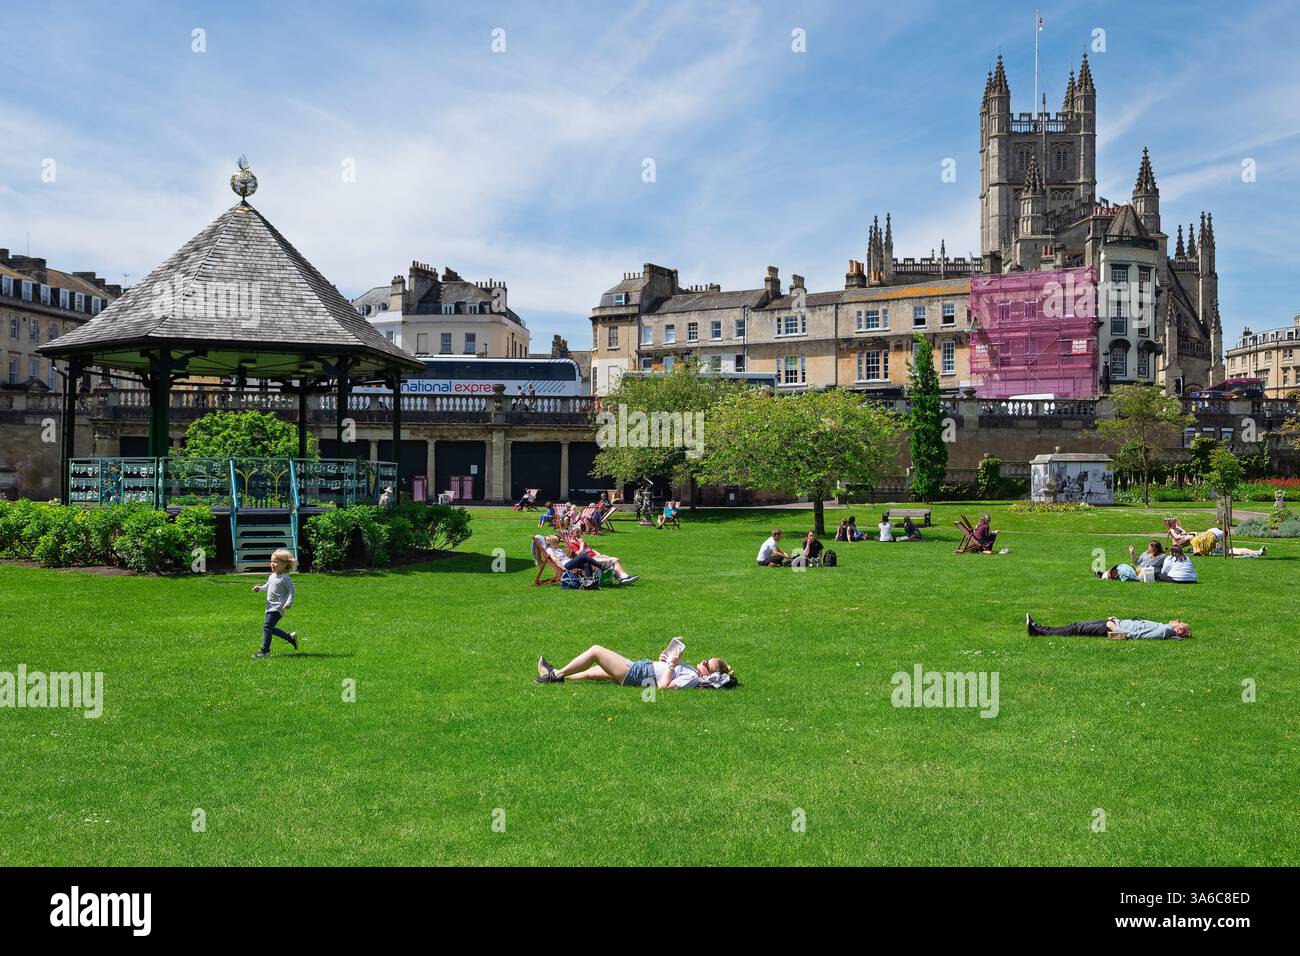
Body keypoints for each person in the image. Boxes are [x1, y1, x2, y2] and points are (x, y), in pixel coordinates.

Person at [534, 643, 737, 689]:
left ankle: (554, 675)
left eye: (706, 664)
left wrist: (671, 665)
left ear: (709, 674)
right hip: (641, 669)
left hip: (636, 673)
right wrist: (664, 660)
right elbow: (665, 673)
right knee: (593, 673)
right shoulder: (693, 672)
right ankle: (561, 676)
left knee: (596, 650)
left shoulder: (692, 678)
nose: (702, 661)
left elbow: (663, 687)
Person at [251, 549, 299, 658]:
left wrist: (289, 602)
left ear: (285, 564)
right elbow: (267, 586)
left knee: (267, 627)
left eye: (276, 562)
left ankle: (265, 652)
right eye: (272, 561)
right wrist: (260, 588)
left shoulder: (285, 578)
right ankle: (290, 637)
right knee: (270, 628)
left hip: (278, 607)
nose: (272, 564)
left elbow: (292, 591)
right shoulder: (272, 576)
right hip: (269, 607)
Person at [1026, 614, 1192, 640]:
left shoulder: (1164, 630)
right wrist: (1118, 620)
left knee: (1076, 629)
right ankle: (1038, 628)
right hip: (1115, 623)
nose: (1176, 620)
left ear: (1178, 630)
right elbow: (1137, 626)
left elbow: (1136, 635)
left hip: (1112, 629)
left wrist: (1114, 627)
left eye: (1179, 622)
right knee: (1076, 625)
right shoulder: (1163, 627)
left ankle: (1037, 631)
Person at [567, 536, 639, 585]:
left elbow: (591, 550)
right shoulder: (572, 543)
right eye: (576, 532)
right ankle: (623, 578)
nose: (578, 534)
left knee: (615, 559)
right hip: (590, 560)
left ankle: (623, 578)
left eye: (579, 532)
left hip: (596, 557)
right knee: (614, 560)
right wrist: (582, 544)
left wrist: (601, 555)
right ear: (572, 535)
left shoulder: (582, 542)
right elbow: (580, 555)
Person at [1192, 527, 1267, 558]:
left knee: (1199, 544)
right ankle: (1258, 552)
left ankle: (1258, 552)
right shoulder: (1221, 535)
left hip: (1200, 539)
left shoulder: (1213, 530)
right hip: (1224, 550)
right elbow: (1223, 546)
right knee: (1240, 551)